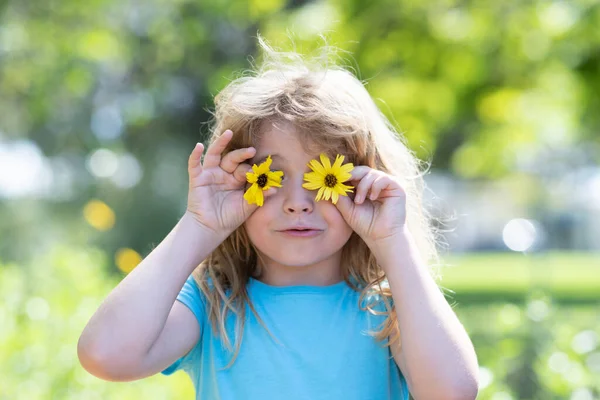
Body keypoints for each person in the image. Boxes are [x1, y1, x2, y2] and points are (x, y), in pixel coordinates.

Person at [77, 35, 479, 400]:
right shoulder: (213, 304)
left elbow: (453, 392)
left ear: (365, 180)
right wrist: (200, 227)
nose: (297, 202)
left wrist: (393, 242)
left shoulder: (390, 310)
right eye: (271, 176)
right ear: (238, 184)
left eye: (325, 176)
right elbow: (105, 355)